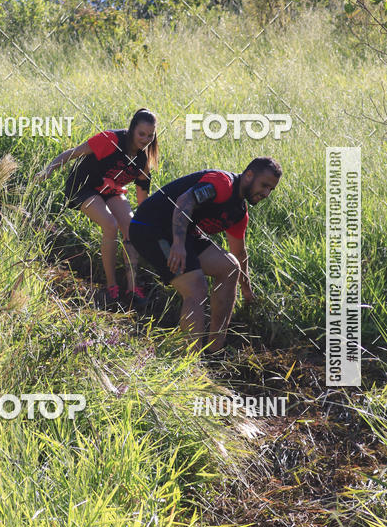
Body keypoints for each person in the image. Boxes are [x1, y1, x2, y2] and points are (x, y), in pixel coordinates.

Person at [129, 157, 282, 352]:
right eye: (264, 185)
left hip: (182, 233)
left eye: (271, 189)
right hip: (149, 227)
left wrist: (247, 292)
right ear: (249, 175)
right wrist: (178, 244)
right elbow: (185, 200)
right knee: (196, 288)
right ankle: (190, 364)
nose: (267, 193)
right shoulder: (221, 183)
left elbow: (240, 253)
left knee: (230, 267)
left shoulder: (239, 213)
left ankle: (213, 350)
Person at [34, 109, 159, 308]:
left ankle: (133, 287)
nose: (145, 139)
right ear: (132, 129)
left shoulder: (144, 160)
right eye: (141, 134)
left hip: (110, 189)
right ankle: (111, 287)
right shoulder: (110, 139)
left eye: (150, 135)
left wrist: (152, 226)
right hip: (84, 186)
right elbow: (72, 153)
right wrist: (48, 170)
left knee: (131, 227)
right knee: (110, 225)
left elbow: (143, 201)